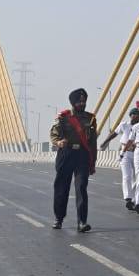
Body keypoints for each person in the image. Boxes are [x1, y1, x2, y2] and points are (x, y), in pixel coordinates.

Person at [50, 87, 97, 232]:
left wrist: (92, 162)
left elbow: (92, 143)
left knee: (81, 187)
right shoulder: (64, 117)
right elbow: (54, 133)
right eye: (79, 101)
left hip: (82, 155)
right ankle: (59, 218)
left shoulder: (90, 118)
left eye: (84, 101)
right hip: (66, 154)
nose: (82, 104)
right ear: (73, 103)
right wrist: (58, 142)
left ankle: (82, 222)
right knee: (62, 187)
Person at [100, 105, 139, 209]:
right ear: (130, 115)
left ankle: (134, 199)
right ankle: (128, 198)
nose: (136, 116)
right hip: (125, 153)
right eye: (134, 114)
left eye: (138, 115)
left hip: (137, 153)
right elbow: (114, 134)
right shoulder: (124, 125)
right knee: (127, 176)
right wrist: (104, 142)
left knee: (138, 177)